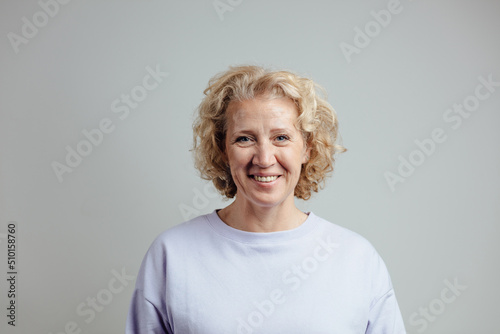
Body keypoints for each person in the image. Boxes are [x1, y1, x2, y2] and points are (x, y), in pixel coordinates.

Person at [125, 65, 406, 333]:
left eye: (281, 137)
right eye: (245, 139)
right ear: (223, 149)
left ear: (307, 148)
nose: (264, 158)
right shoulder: (172, 255)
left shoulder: (356, 258)